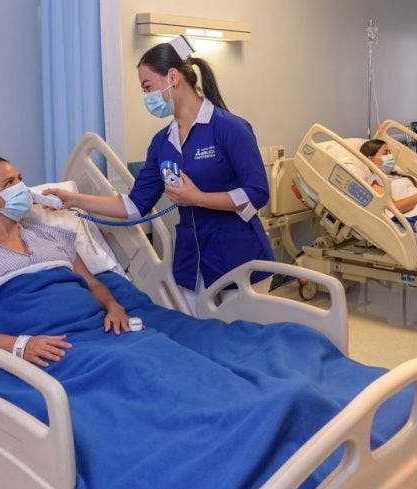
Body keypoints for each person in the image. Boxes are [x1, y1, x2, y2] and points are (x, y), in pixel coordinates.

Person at [46, 36, 274, 313]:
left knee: (240, 346)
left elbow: (257, 193)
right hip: (192, 265)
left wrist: (199, 198)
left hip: (239, 261)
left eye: (147, 86)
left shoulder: (229, 128)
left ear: (173, 77)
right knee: (198, 343)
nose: (147, 97)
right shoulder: (162, 142)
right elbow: (133, 206)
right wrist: (74, 200)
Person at [0, 157, 131, 368]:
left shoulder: (53, 236)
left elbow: (92, 284)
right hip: (47, 348)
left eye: (20, 179)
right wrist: (19, 346)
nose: (21, 188)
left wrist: (114, 307)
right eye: (9, 183)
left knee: (149, 357)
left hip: (96, 331)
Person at [358, 139, 417, 222]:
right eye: (385, 153)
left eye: (389, 152)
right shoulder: (375, 182)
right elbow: (393, 208)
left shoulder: (397, 175)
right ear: (371, 159)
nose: (390, 156)